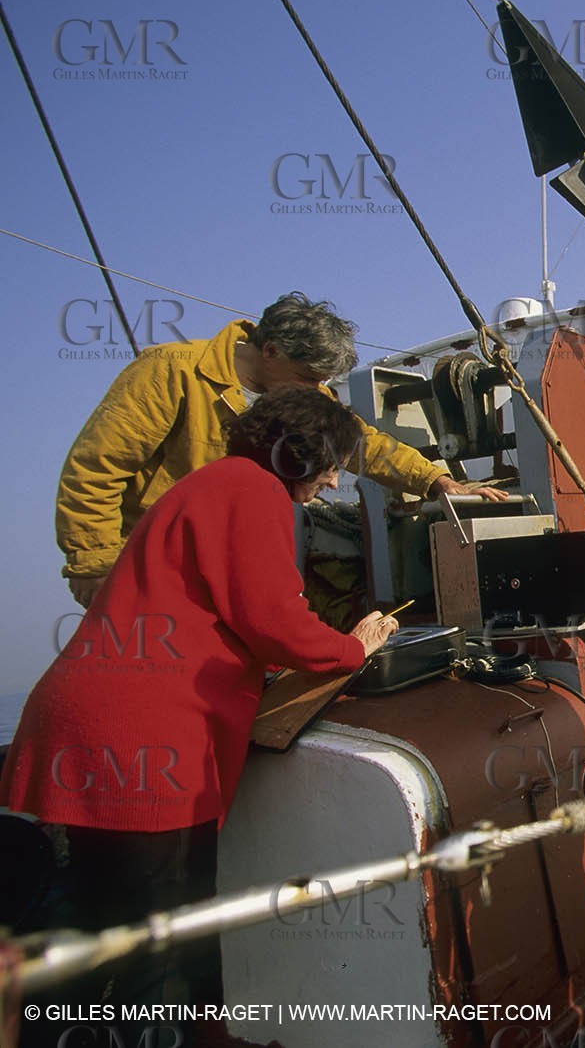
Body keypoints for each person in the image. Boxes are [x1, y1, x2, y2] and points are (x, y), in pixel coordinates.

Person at [2, 386, 401, 1044]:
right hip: (142, 738)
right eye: (331, 462)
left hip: (85, 721)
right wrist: (352, 646)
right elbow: (273, 620)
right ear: (298, 452)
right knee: (164, 943)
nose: (334, 478)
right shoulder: (257, 492)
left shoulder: (210, 483)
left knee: (97, 921)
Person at [56, 291, 508, 609]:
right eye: (310, 378)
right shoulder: (169, 372)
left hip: (236, 564)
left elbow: (363, 443)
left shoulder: (301, 394)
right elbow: (95, 468)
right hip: (157, 566)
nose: (319, 391)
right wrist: (93, 562)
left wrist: (436, 481)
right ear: (269, 351)